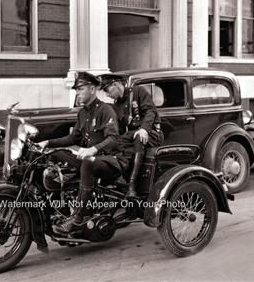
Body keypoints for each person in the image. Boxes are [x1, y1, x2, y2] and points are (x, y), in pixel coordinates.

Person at [37, 72, 128, 234]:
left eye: (81, 89)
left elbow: (113, 138)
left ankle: (77, 218)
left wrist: (93, 149)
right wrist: (48, 143)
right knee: (55, 153)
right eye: (76, 89)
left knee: (87, 162)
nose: (77, 93)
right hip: (92, 159)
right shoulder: (83, 113)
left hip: (111, 161)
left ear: (92, 89)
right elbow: (73, 138)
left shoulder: (105, 110)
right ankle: (61, 209)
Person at [99, 74, 163, 198]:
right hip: (131, 135)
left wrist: (144, 129)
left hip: (152, 133)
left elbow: (150, 111)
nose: (107, 95)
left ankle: (132, 187)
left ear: (115, 84)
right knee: (114, 143)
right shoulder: (117, 104)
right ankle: (118, 179)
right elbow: (120, 128)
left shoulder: (138, 91)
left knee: (139, 138)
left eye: (107, 90)